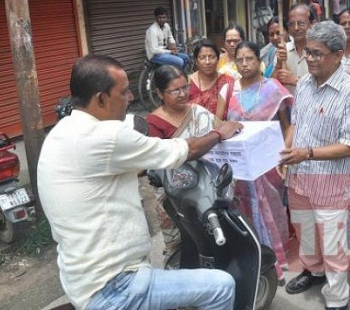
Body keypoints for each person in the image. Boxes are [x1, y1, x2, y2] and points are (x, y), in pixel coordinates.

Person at [38, 54, 242, 310]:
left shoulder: (61, 132)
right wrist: (218, 133)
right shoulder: (107, 135)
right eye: (123, 92)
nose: (131, 98)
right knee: (221, 287)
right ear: (101, 98)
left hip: (81, 278)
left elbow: (125, 169)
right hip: (116, 286)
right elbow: (184, 151)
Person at [280, 21, 350, 310]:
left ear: (337, 54)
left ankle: (336, 298)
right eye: (308, 52)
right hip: (300, 176)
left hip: (332, 182)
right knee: (306, 233)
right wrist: (287, 151)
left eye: (317, 54)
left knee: (332, 243)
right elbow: (297, 123)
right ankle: (314, 271)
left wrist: (306, 153)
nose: (309, 58)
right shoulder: (305, 83)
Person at [219, 40, 293, 282]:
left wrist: (285, 155)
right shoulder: (230, 89)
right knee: (245, 210)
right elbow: (219, 124)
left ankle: (274, 259)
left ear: (260, 61)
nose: (244, 63)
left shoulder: (273, 88)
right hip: (240, 166)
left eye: (249, 58)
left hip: (268, 164)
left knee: (270, 209)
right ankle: (251, 257)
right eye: (239, 59)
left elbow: (286, 125)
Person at [146, 65, 218, 254]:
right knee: (183, 246)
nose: (182, 94)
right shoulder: (154, 123)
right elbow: (160, 163)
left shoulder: (197, 112)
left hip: (206, 187)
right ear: (160, 93)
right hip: (174, 196)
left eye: (185, 87)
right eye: (175, 90)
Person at [274, 4, 316, 93]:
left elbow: (325, 86)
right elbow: (272, 87)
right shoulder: (283, 50)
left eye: (301, 24)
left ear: (312, 24)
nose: (296, 28)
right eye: (291, 24)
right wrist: (278, 64)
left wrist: (296, 80)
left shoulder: (320, 52)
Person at [188, 39, 234, 119]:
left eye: (212, 57)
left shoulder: (227, 82)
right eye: (202, 58)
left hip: (220, 129)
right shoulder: (187, 82)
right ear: (196, 61)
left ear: (218, 59)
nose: (207, 62)